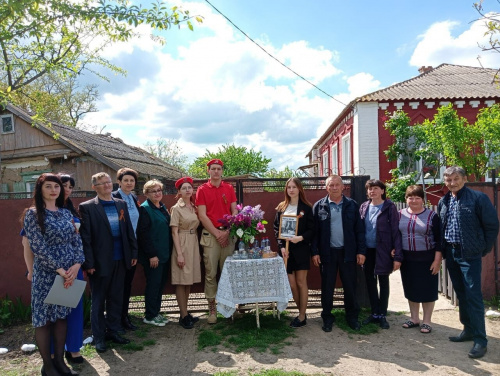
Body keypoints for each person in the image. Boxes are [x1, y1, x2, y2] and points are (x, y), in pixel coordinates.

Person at [23, 173, 84, 376]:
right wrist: (59, 270)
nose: (53, 190)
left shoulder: (66, 214)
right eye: (48, 186)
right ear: (40, 190)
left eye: (56, 187)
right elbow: (38, 247)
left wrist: (76, 265)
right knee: (44, 319)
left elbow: (77, 241)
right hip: (47, 275)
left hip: (69, 273)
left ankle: (60, 362)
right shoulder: (32, 214)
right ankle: (48, 367)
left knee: (61, 318)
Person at [437, 166, 499, 359]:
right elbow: (442, 227)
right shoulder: (444, 200)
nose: (452, 183)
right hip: (452, 253)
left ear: (464, 178)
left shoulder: (477, 198)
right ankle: (468, 330)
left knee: (473, 296)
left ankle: (481, 340)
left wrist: (483, 249)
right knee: (461, 294)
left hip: (470, 255)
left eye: (456, 179)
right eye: (448, 180)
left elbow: (492, 226)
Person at [79, 172, 138, 353]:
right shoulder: (87, 207)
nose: (107, 186)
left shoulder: (120, 203)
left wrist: (133, 252)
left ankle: (114, 330)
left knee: (116, 297)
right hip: (100, 262)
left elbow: (128, 229)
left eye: (108, 182)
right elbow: (86, 238)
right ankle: (99, 337)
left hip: (121, 258)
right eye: (102, 183)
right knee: (98, 300)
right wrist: (89, 263)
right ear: (94, 187)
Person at [312, 175, 366, 332]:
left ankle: (352, 317)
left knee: (349, 286)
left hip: (347, 253)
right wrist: (315, 252)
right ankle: (327, 317)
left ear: (343, 187)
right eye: (331, 185)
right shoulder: (319, 206)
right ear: (326, 187)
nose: (334, 187)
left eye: (337, 185)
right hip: (327, 254)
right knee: (327, 287)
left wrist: (361, 251)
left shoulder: (352, 205)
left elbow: (359, 231)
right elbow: (315, 232)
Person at [195, 159, 237, 324]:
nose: (216, 172)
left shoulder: (229, 188)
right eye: (213, 169)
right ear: (208, 171)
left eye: (219, 169)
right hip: (211, 237)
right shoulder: (202, 190)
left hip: (228, 234)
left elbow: (234, 210)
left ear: (222, 171)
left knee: (228, 273)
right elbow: (202, 215)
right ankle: (212, 309)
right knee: (211, 274)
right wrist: (217, 233)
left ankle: (228, 308)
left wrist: (227, 232)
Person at [398, 185, 442, 334]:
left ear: (423, 199)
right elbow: (395, 236)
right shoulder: (400, 214)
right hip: (407, 258)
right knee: (411, 288)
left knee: (428, 290)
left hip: (427, 258)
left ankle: (427, 321)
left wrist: (437, 261)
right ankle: (414, 318)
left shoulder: (432, 216)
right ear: (406, 199)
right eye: (411, 197)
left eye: (417, 197)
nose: (414, 200)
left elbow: (439, 240)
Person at [359, 179, 402, 329]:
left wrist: (397, 256)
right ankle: (374, 313)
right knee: (370, 282)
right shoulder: (364, 207)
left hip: (383, 251)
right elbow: (360, 231)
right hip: (367, 251)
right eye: (370, 189)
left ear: (382, 191)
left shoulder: (389, 207)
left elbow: (396, 232)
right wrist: (360, 250)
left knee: (383, 281)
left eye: (376, 188)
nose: (373, 191)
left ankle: (382, 314)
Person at [273, 178, 314, 328]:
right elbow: (276, 229)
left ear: (299, 189)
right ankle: (301, 311)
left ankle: (302, 316)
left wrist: (301, 238)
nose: (291, 190)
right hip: (286, 251)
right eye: (289, 187)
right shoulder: (282, 207)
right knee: (292, 284)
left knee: (301, 282)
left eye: (294, 187)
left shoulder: (307, 208)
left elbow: (312, 229)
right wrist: (282, 247)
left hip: (301, 249)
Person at [136, 180, 172, 327]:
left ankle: (156, 312)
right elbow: (143, 234)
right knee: (153, 285)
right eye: (153, 191)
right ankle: (149, 315)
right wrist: (152, 255)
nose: (157, 193)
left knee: (159, 285)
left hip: (164, 253)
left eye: (159, 190)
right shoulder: (144, 209)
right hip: (153, 257)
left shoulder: (161, 206)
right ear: (146, 194)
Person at [112, 168, 141, 331]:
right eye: (126, 180)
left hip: (133, 246)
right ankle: (115, 319)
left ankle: (125, 317)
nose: (129, 183)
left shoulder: (133, 197)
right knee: (118, 285)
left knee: (127, 284)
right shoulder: (114, 197)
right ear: (119, 182)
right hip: (120, 247)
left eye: (132, 180)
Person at [170, 177, 201, 329]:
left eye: (190, 187)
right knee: (181, 280)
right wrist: (179, 253)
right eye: (184, 188)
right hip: (181, 242)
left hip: (193, 242)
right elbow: (174, 232)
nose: (188, 190)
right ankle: (182, 316)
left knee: (188, 280)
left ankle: (186, 312)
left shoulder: (193, 207)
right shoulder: (176, 208)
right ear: (179, 192)